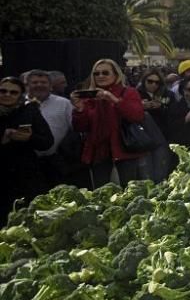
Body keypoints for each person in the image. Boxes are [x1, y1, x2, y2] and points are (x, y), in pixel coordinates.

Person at [70, 59, 148, 188]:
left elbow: (137, 116)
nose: (100, 76)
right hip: (99, 154)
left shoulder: (128, 92)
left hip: (125, 151)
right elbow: (80, 127)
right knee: (102, 195)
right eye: (96, 73)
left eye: (105, 73)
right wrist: (79, 109)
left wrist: (114, 100)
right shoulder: (89, 96)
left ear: (116, 75)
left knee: (129, 193)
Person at [0, 77, 54, 225]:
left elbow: (47, 141)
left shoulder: (29, 111)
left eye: (13, 92)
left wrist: (30, 137)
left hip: (25, 175)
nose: (7, 95)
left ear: (20, 95)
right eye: (3, 91)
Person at [136, 67, 172, 182]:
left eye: (157, 82)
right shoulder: (136, 94)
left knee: (161, 174)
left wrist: (161, 107)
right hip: (143, 139)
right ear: (144, 81)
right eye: (150, 81)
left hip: (162, 137)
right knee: (145, 175)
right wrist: (140, 107)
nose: (153, 85)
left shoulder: (167, 94)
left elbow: (173, 113)